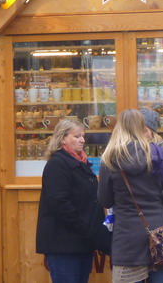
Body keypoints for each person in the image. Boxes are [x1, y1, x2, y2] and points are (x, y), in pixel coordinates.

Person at [98, 109, 163, 283]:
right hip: (159, 233)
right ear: (141, 127)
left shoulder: (110, 157)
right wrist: (157, 200)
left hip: (127, 237)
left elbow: (105, 200)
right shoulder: (158, 153)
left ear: (120, 128)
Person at [36, 118, 111, 283]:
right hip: (63, 245)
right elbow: (59, 203)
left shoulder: (81, 162)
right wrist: (86, 229)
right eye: (77, 136)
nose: (82, 140)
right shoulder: (58, 164)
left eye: (83, 136)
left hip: (81, 242)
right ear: (63, 138)